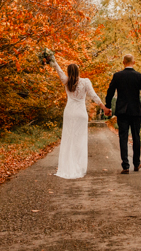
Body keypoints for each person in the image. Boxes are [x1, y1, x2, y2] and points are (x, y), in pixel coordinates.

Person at [41, 49, 109, 179]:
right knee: (80, 140)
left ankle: (67, 166)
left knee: (68, 139)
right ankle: (79, 166)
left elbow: (58, 69)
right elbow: (93, 96)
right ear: (78, 71)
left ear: (68, 72)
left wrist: (52, 59)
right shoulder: (85, 81)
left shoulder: (66, 81)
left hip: (69, 112)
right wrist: (103, 107)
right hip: (81, 114)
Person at [104, 53, 141, 174]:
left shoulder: (117, 76)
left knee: (123, 137)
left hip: (122, 111)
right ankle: (136, 163)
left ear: (123, 62)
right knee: (136, 136)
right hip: (136, 111)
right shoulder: (139, 76)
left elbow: (110, 92)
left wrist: (108, 107)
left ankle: (125, 165)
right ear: (134, 62)